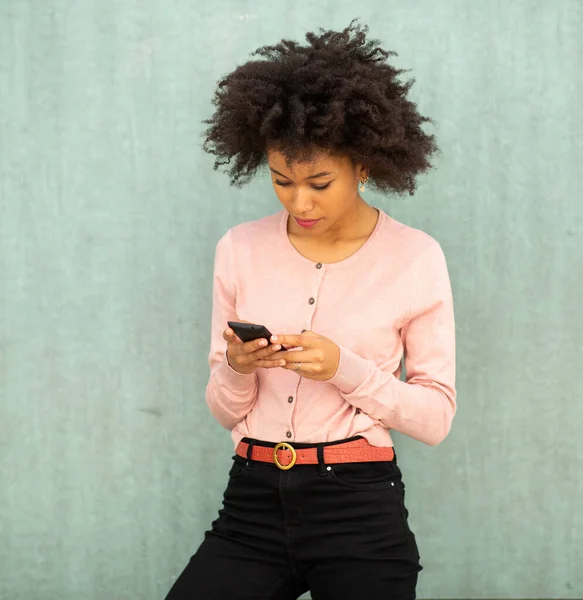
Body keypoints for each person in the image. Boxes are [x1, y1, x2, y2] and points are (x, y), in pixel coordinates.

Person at [165, 19, 456, 600]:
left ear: (365, 163)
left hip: (358, 510)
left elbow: (435, 418)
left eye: (320, 182)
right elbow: (225, 410)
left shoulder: (415, 257)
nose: (300, 202)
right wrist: (238, 366)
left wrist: (342, 368)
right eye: (281, 181)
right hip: (251, 501)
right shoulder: (239, 248)